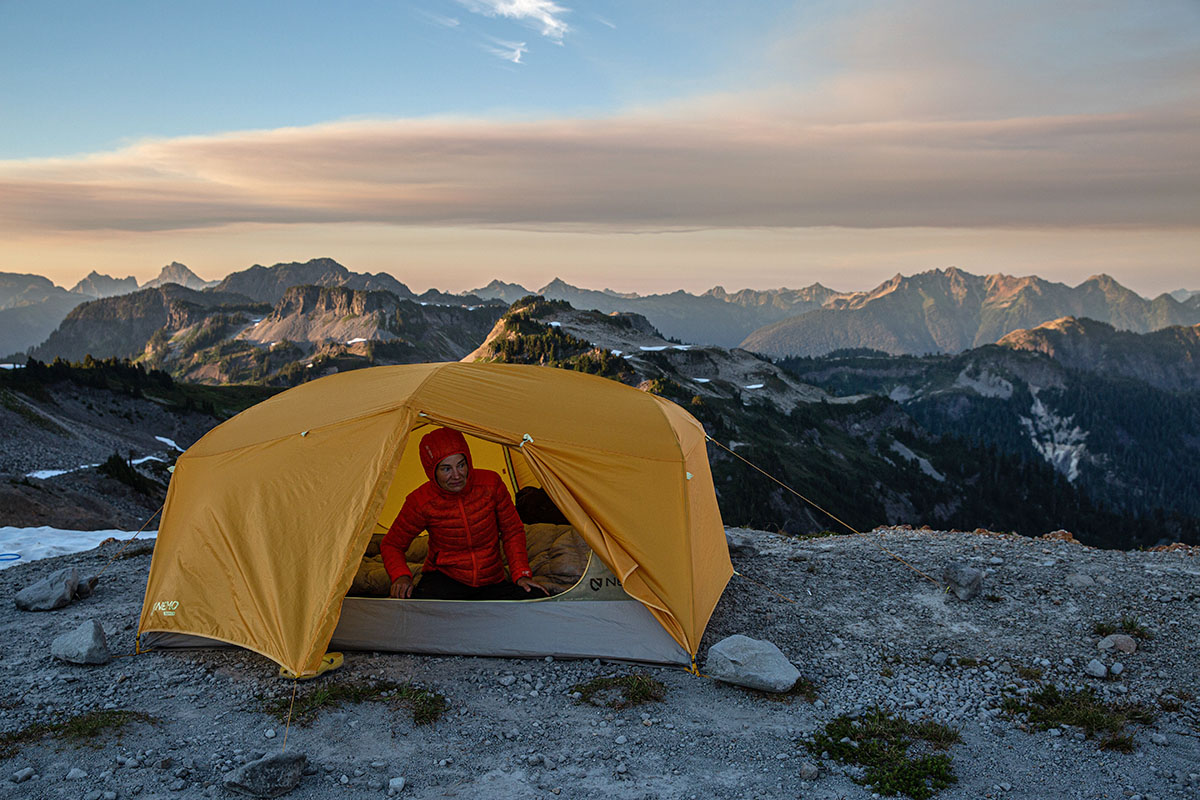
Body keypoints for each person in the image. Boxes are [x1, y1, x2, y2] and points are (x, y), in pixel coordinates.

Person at [381, 427, 548, 600]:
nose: (457, 475)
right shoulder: (421, 501)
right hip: (445, 579)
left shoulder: (491, 484)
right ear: (432, 472)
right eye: (446, 469)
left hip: (491, 579)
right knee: (416, 609)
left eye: (461, 465)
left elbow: (512, 530)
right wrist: (401, 575)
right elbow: (392, 544)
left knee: (534, 597)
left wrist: (521, 574)